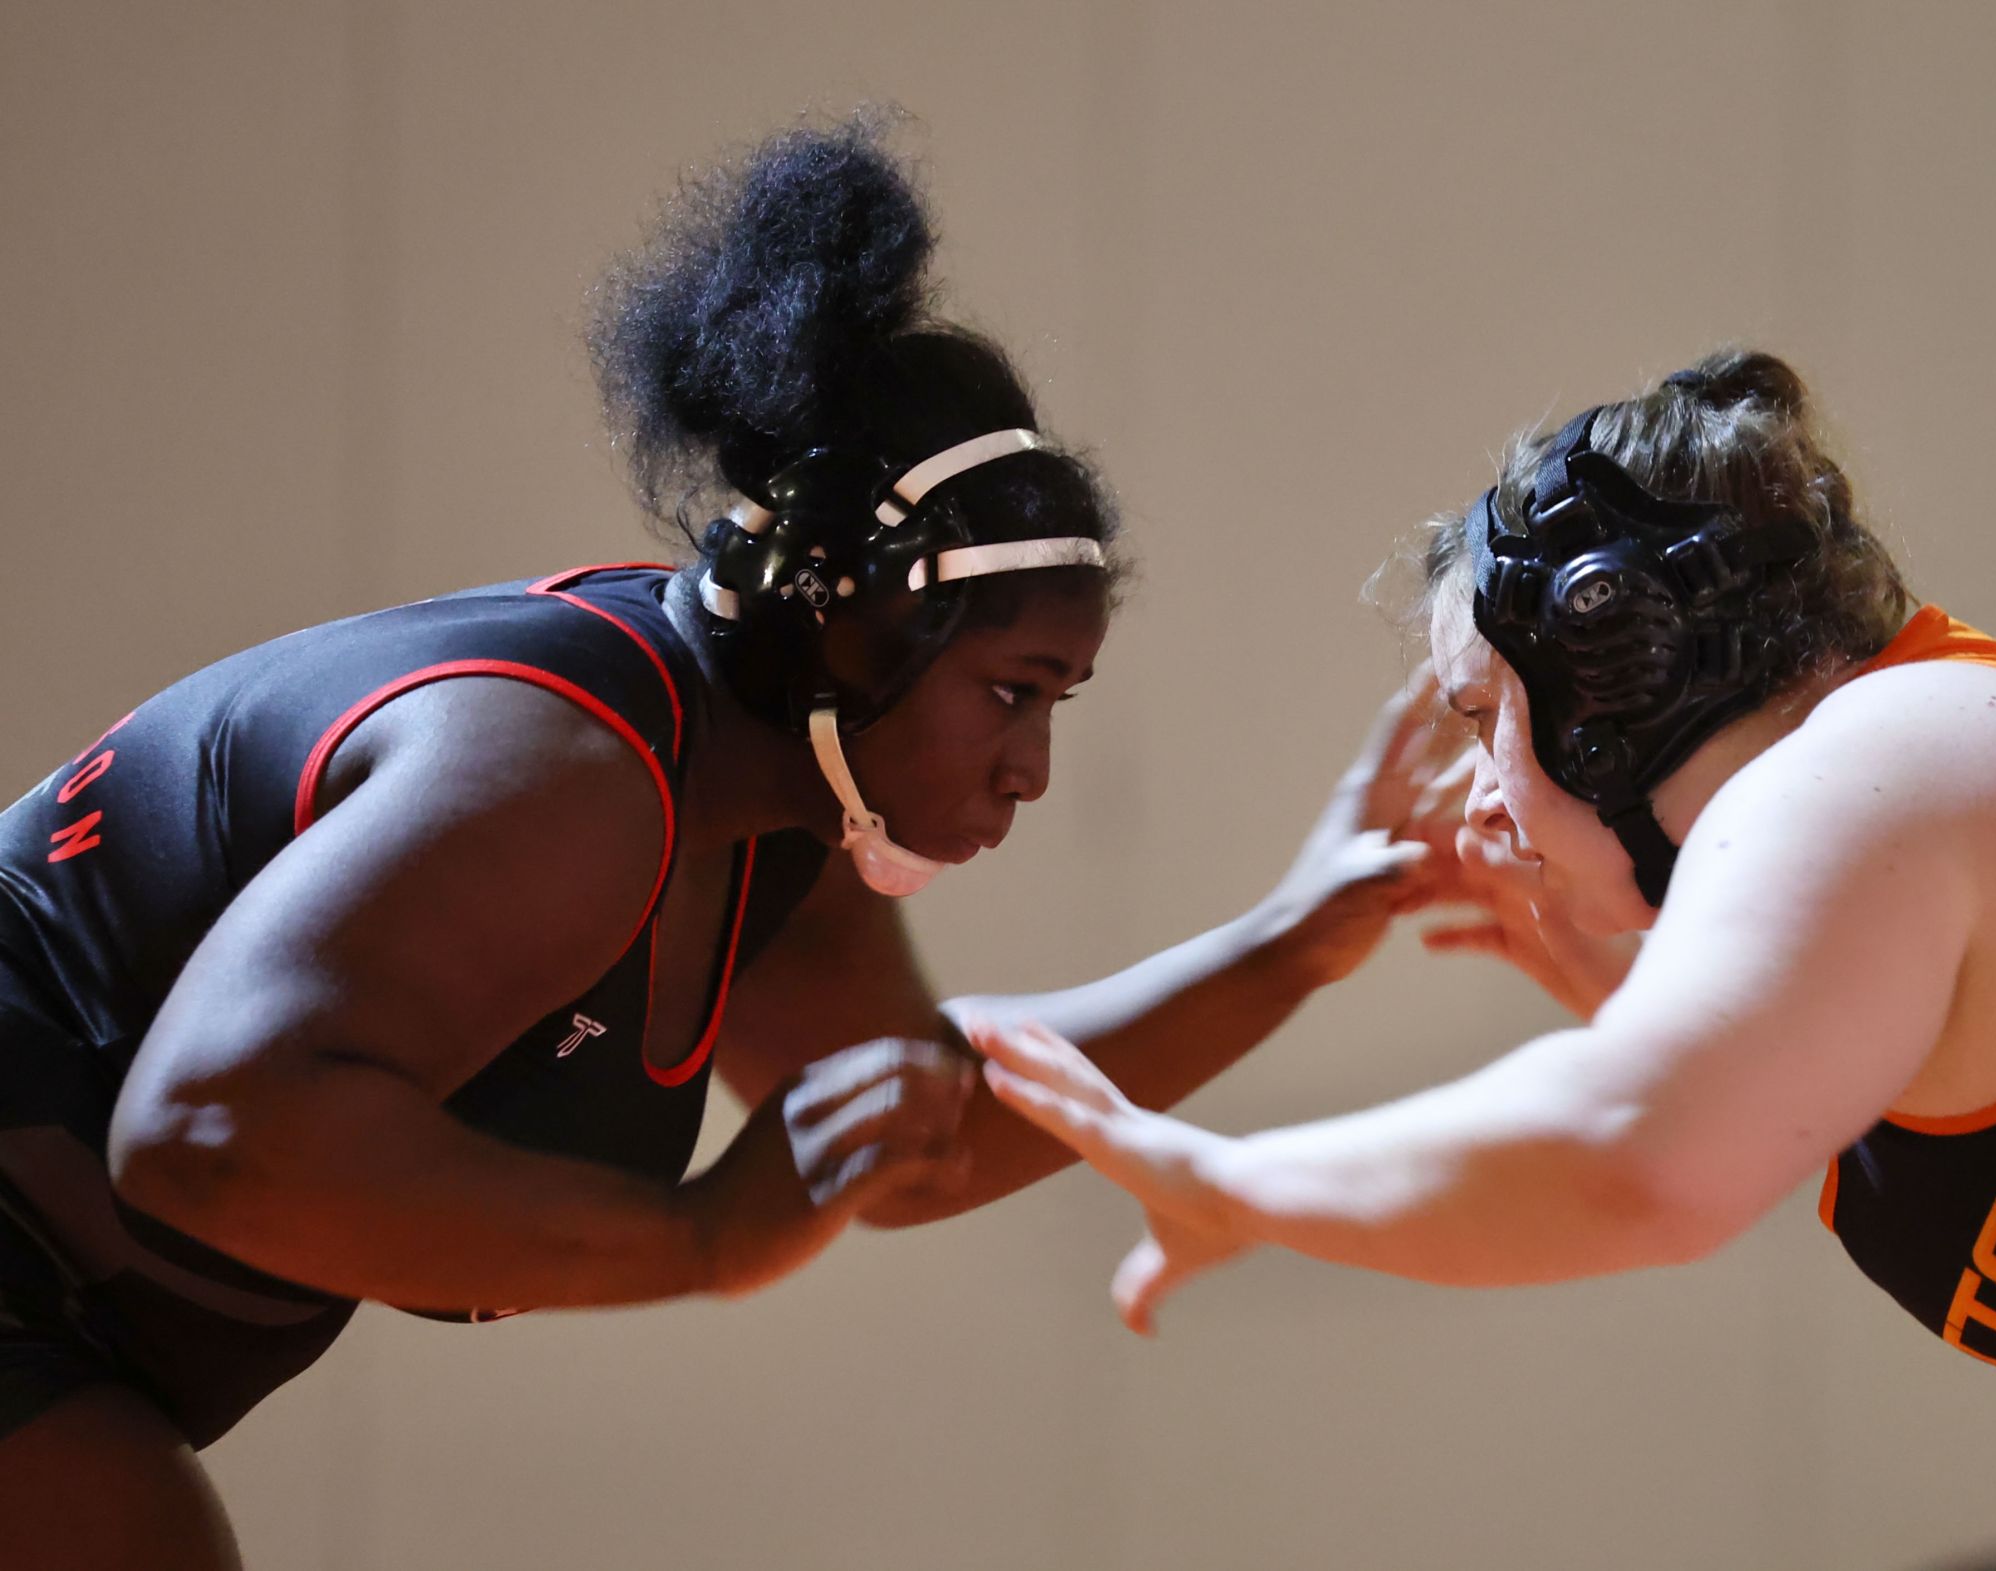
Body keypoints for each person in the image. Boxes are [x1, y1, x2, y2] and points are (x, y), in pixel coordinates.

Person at [0, 118, 1454, 1570]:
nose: (1032, 770)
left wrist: (1297, 940)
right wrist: (698, 1239)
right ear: (848, 621)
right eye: (1012, 693)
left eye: (1057, 703)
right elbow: (209, 1141)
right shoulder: (564, 776)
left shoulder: (770, 804)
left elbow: (917, 1139)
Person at [973, 348, 1996, 1571]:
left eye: (1483, 715)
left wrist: (1228, 1183)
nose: (1477, 793)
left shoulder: (1873, 756)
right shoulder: (1900, 779)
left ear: (1612, 660)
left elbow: (1635, 1166)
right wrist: (1642, 1009)